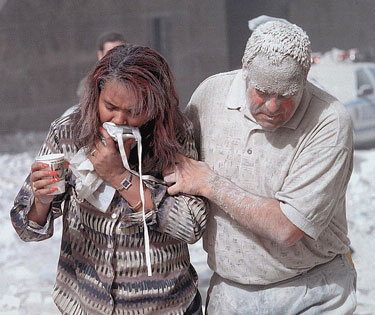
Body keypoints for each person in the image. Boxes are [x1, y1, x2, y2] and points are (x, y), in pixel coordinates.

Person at [163, 21, 357, 314]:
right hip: (230, 293)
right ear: (244, 68)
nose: (273, 106)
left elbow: (287, 227)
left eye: (287, 94)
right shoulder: (210, 96)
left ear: (305, 78)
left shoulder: (329, 122)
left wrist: (210, 183)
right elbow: (174, 161)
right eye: (262, 91)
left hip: (311, 291)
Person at [10, 45, 206, 314]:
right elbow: (27, 229)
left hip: (165, 305)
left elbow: (192, 226)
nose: (119, 119)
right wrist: (42, 200)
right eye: (110, 107)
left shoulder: (175, 137)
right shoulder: (68, 133)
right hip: (85, 303)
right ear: (96, 96)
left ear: (156, 106)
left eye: (135, 110)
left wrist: (120, 177)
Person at [63, 31, 127, 116]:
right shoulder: (90, 82)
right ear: (100, 54)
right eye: (110, 53)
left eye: (120, 51)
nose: (116, 56)